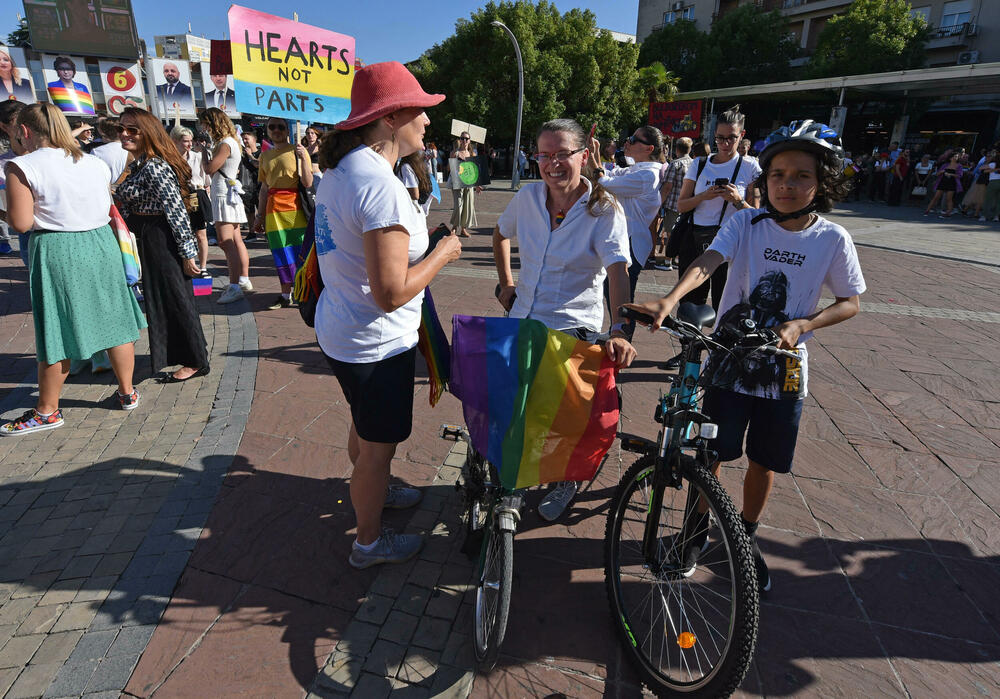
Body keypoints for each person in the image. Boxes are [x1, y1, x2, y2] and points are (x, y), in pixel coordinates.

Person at [628, 120, 865, 592]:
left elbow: (850, 301)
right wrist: (669, 299)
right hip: (730, 360)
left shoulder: (832, 239)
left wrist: (803, 324)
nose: (787, 185)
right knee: (712, 453)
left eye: (801, 175)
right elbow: (708, 262)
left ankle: (743, 537)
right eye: (778, 174)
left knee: (764, 460)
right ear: (765, 178)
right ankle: (695, 531)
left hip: (784, 369)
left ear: (822, 182)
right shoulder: (745, 223)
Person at [313, 61, 462, 568]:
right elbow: (392, 293)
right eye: (420, 110)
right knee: (377, 448)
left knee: (365, 426)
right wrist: (442, 255)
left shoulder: (346, 170)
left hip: (344, 331)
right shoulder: (378, 185)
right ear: (393, 116)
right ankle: (369, 543)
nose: (428, 121)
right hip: (375, 342)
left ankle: (377, 488)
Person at [494, 118, 638, 521]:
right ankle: (519, 480)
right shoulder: (526, 199)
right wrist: (506, 282)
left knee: (567, 414)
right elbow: (500, 234)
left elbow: (617, 271)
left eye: (562, 154)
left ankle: (565, 479)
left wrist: (621, 330)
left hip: (574, 326)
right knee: (518, 409)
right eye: (544, 155)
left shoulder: (604, 209)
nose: (552, 163)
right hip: (524, 318)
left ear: (584, 155)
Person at [1, 103, 145, 435]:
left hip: (58, 247)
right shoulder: (93, 162)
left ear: (23, 131)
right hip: (101, 243)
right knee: (115, 319)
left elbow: (21, 223)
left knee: (57, 327)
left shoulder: (21, 165)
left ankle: (48, 411)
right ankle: (127, 392)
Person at [115, 107, 210, 383]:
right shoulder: (139, 162)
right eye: (121, 128)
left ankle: (196, 360)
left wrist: (187, 253)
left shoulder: (154, 166)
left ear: (148, 132)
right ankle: (185, 354)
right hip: (147, 235)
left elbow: (175, 209)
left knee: (176, 299)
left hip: (161, 236)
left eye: (132, 129)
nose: (124, 134)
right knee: (163, 299)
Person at [592, 125, 665, 300]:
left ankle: (622, 328)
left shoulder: (647, 175)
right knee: (613, 294)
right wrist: (594, 156)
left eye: (633, 140)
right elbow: (610, 173)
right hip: (627, 239)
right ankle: (617, 328)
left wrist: (594, 153)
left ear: (649, 149)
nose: (627, 142)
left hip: (632, 242)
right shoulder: (638, 169)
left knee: (621, 300)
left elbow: (605, 181)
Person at [253, 117, 313, 309]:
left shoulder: (298, 152)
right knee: (280, 253)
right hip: (273, 211)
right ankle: (285, 294)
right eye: (272, 127)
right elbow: (264, 188)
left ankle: (304, 291)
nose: (276, 130)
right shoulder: (264, 156)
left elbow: (307, 182)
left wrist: (303, 157)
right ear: (268, 131)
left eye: (280, 127)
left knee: (301, 252)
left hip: (296, 210)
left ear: (288, 130)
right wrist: (259, 216)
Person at [199, 107, 251, 304]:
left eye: (205, 123)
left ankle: (235, 285)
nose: (203, 127)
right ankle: (242, 280)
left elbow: (210, 168)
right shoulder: (231, 141)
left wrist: (204, 153)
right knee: (236, 240)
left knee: (226, 242)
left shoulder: (225, 143)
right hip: (228, 193)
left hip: (223, 194)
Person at [170, 126, 210, 277]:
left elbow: (206, 180)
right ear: (175, 141)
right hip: (179, 196)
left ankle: (203, 267)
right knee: (183, 233)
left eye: (190, 141)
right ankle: (188, 265)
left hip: (197, 194)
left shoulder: (197, 157)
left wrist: (206, 194)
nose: (189, 144)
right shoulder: (170, 159)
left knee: (201, 233)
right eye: (185, 141)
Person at [653, 136, 694, 270]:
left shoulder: (675, 164)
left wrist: (659, 203)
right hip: (689, 204)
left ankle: (667, 261)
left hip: (673, 204)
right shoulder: (694, 164)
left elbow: (667, 187)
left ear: (677, 149)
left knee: (671, 233)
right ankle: (677, 259)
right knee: (682, 233)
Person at [0, 100, 27, 258]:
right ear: (4, 127)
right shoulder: (4, 164)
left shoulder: (51, 154)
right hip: (28, 236)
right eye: (20, 121)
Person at [448, 132, 480, 237]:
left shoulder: (472, 154)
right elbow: (449, 169)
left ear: (469, 141)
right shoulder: (454, 153)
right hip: (457, 183)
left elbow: (474, 172)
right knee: (458, 205)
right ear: (460, 140)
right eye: (462, 138)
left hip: (469, 184)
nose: (464, 141)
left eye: (466, 139)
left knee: (467, 206)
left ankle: (463, 229)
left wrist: (477, 185)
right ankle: (454, 228)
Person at [91, 117, 130, 183]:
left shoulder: (96, 152)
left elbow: (93, 177)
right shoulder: (132, 149)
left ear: (102, 132)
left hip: (107, 190)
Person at [924, 153, 963, 217]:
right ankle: (927, 210)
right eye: (954, 156)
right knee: (936, 197)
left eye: (957, 157)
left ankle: (948, 213)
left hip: (952, 183)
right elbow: (937, 174)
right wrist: (941, 172)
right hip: (942, 182)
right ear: (950, 158)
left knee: (949, 199)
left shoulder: (959, 166)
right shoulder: (945, 165)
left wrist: (951, 174)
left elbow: (960, 175)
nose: (955, 158)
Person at [396, 151, 434, 216]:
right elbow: (415, 194)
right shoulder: (411, 167)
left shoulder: (407, 167)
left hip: (410, 209)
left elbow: (415, 194)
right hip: (413, 209)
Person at [240, 130, 261, 232]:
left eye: (246, 138)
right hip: (247, 185)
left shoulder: (261, 152)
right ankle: (251, 232)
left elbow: (258, 164)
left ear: (254, 139)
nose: (244, 141)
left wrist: (250, 155)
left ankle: (265, 231)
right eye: (243, 139)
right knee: (249, 210)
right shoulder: (242, 154)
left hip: (259, 184)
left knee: (261, 209)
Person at [980, 156, 1000, 222]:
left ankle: (984, 216)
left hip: (993, 182)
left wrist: (994, 169)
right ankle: (996, 216)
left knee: (988, 199)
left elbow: (981, 168)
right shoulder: (994, 164)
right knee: (998, 201)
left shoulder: (993, 164)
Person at [303, 125, 323, 189]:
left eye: (312, 133)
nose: (310, 135)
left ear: (316, 135)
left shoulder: (320, 148)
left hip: (316, 175)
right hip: (306, 176)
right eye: (308, 133)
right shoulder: (303, 149)